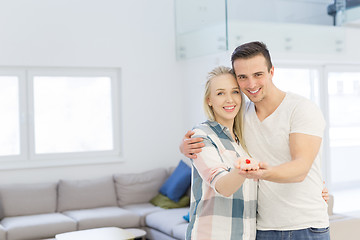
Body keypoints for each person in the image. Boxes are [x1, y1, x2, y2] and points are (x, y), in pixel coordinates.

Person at [181, 41, 330, 240]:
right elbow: (216, 142)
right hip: (262, 228)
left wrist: (260, 173)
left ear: (271, 72)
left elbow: (300, 168)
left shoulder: (301, 109)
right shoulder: (242, 118)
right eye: (243, 77)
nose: (251, 84)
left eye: (258, 74)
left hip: (305, 225)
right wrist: (184, 147)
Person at [186, 66, 259, 240]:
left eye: (234, 92)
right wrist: (245, 168)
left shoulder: (244, 140)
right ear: (209, 100)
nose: (229, 100)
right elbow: (223, 186)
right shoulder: (201, 136)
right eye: (220, 93)